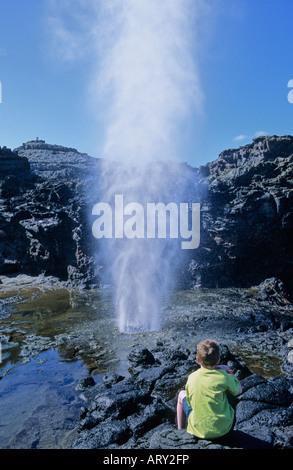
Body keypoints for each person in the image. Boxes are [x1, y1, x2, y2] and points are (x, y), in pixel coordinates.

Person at [176, 339, 242, 440]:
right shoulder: (224, 376)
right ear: (218, 360)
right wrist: (228, 370)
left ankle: (180, 430)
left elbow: (190, 403)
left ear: (198, 359)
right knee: (230, 391)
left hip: (198, 431)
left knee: (181, 394)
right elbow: (239, 391)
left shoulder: (192, 378)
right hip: (224, 431)